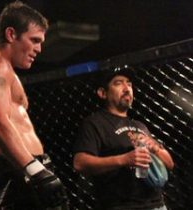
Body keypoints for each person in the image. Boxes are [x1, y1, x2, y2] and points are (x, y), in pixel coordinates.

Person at [0, 1, 69, 209]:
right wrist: (35, 170)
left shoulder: (2, 68)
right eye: (34, 40)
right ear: (11, 34)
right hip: (19, 170)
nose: (39, 49)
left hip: (26, 168)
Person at [72, 67, 175, 210]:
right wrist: (124, 159)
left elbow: (170, 164)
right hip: (121, 205)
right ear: (103, 93)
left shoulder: (140, 125)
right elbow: (79, 163)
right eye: (118, 83)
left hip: (157, 204)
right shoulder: (95, 123)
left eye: (129, 84)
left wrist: (155, 148)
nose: (127, 89)